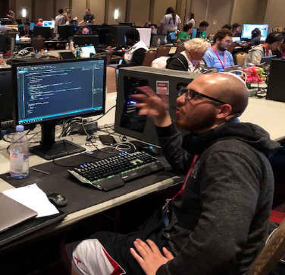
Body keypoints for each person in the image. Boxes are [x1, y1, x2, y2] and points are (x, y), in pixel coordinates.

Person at [66, 72, 277, 275]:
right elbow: (184, 163)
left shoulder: (228, 157)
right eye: (185, 91)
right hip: (181, 232)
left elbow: (220, 244)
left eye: (193, 96)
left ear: (223, 111)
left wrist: (166, 272)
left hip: (184, 257)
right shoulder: (219, 138)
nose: (181, 100)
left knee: (79, 249)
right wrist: (162, 117)